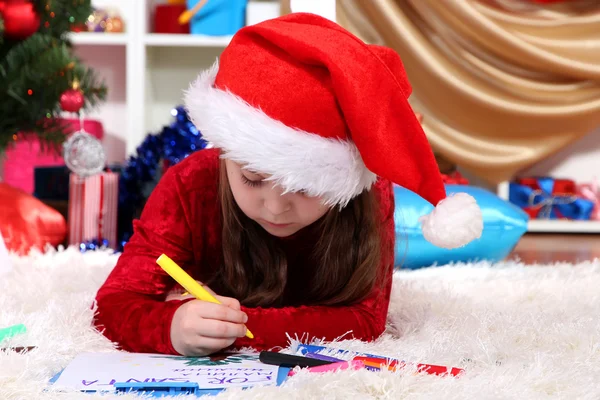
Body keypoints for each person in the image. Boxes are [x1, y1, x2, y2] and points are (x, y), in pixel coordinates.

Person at [93, 12, 482, 356]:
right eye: (252, 179)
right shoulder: (191, 183)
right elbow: (112, 305)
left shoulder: (367, 194)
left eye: (307, 187)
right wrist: (171, 328)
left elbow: (366, 321)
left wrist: (238, 329)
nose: (277, 207)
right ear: (226, 154)